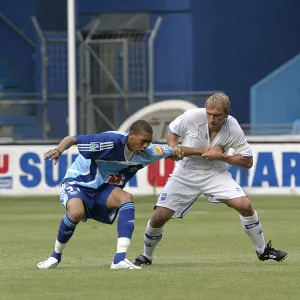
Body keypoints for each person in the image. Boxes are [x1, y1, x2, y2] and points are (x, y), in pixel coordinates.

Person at [37, 120, 223, 270]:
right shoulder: (109, 141)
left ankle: (119, 259)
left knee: (126, 198)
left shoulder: (149, 151)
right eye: (142, 141)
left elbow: (176, 150)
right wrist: (58, 150)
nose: (146, 145)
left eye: (148, 141)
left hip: (103, 187)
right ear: (131, 135)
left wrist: (205, 151)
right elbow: (72, 139)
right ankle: (55, 256)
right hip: (79, 182)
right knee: (76, 213)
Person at [134, 93, 288, 267]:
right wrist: (173, 149)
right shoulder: (191, 117)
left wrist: (221, 155)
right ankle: (146, 256)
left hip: (216, 173)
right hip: (185, 173)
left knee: (245, 206)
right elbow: (173, 131)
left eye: (217, 115)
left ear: (227, 115)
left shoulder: (233, 127)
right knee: (158, 218)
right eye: (209, 113)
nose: (212, 118)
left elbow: (248, 161)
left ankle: (262, 251)